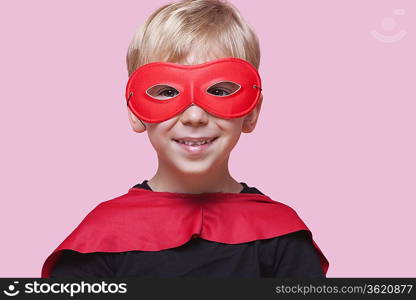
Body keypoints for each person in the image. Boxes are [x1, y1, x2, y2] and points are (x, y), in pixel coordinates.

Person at [41, 0, 329, 278]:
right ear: (135, 112)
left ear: (252, 113)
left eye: (219, 91)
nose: (194, 117)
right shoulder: (102, 236)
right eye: (166, 91)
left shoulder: (281, 236)